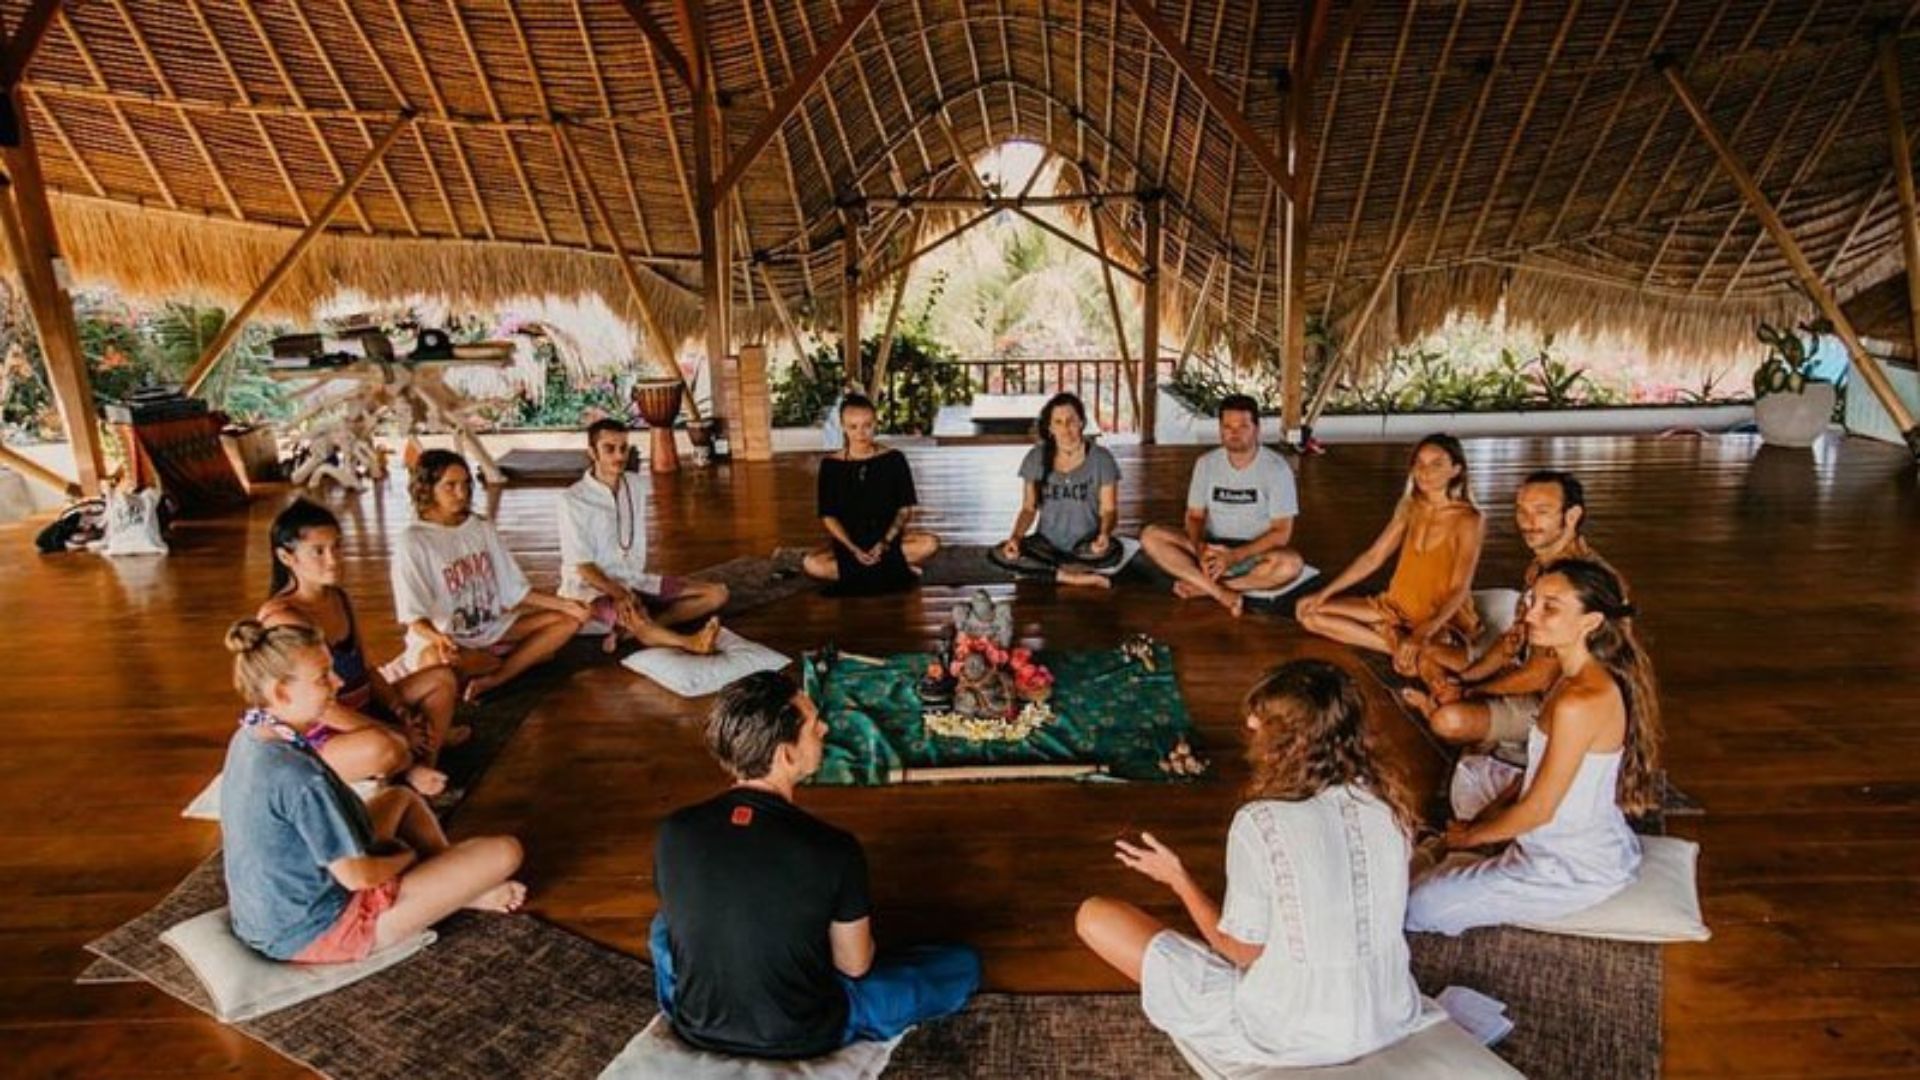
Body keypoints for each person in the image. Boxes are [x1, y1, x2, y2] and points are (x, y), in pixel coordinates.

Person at [1074, 660, 1442, 1068]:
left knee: (1096, 917)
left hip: (1288, 1032)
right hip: (1387, 1015)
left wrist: (1178, 879)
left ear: (1295, 742)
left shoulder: (1261, 822)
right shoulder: (1389, 805)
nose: (1251, 723)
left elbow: (1241, 954)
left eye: (1266, 720)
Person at [651, 671, 981, 1058]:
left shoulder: (674, 830)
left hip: (696, 1021)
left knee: (662, 931)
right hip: (804, 1029)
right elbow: (855, 966)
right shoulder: (833, 849)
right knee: (961, 965)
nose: (823, 728)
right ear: (785, 754)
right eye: (812, 724)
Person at [219, 620, 525, 964]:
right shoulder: (298, 777)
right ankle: (452, 885)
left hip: (265, 919)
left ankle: (456, 887)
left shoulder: (250, 734)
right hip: (318, 932)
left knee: (401, 798)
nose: (337, 682)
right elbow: (358, 877)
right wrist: (406, 859)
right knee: (504, 852)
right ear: (280, 693)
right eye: (323, 677)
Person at [1405, 560, 1660, 935]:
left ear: (1590, 622)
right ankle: (1475, 850)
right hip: (1551, 825)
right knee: (1472, 776)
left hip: (1568, 863)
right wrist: (1486, 818)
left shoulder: (1581, 701)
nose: (1531, 615)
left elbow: (1539, 811)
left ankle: (1470, 855)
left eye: (1550, 608)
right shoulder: (1570, 675)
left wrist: (1469, 837)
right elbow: (1536, 772)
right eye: (1532, 601)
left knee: (1419, 907)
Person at [1403, 471, 1624, 750]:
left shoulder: (1583, 583)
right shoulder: (1539, 567)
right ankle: (1449, 700)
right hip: (1516, 668)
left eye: (1541, 512)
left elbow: (1539, 676)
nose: (1528, 523)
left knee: (1449, 720)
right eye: (1522, 512)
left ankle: (1452, 713)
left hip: (1549, 701)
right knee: (1423, 651)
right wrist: (1460, 680)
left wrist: (1472, 690)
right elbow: (1512, 641)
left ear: (1571, 516)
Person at [259, 500, 461, 795]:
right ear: (286, 557)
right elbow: (322, 711)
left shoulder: (339, 597)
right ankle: (410, 766)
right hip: (319, 731)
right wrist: (394, 731)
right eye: (319, 551)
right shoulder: (282, 619)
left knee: (442, 678)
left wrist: (399, 709)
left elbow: (365, 668)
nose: (333, 559)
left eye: (336, 547)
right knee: (386, 747)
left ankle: (422, 764)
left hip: (361, 708)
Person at [391, 450, 588, 700]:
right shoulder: (413, 541)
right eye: (450, 486)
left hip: (491, 629)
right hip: (447, 640)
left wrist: (568, 605)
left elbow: (514, 591)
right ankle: (511, 659)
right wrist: (439, 640)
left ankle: (496, 677)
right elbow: (413, 616)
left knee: (568, 622)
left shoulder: (481, 527)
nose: (461, 494)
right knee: (436, 664)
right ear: (427, 488)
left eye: (465, 484)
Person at [1296, 434, 1483, 673]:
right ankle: (1396, 646)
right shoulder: (1410, 507)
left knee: (1443, 660)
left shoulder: (1469, 519)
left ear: (1456, 470)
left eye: (1436, 464)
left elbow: (1460, 588)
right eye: (1420, 463)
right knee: (1309, 613)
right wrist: (1324, 594)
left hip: (1437, 616)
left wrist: (1423, 631)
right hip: (1395, 607)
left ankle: (1403, 642)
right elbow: (1373, 557)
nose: (1425, 472)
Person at [558, 419, 727, 654]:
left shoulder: (636, 485)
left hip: (634, 580)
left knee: (717, 594)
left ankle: (639, 630)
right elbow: (584, 566)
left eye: (624, 448)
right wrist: (619, 594)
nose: (619, 455)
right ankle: (689, 642)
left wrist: (630, 592)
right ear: (591, 452)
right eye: (609, 448)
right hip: (593, 589)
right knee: (638, 616)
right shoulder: (573, 500)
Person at [1140, 394, 1304, 616]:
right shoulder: (1206, 464)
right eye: (1227, 426)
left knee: (1291, 565)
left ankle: (1208, 588)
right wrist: (1200, 550)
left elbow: (1281, 533)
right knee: (1152, 536)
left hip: (1253, 552)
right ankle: (1218, 591)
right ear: (1220, 430)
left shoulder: (1276, 469)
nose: (1234, 433)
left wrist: (1234, 556)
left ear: (1256, 429)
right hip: (1211, 547)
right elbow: (1195, 516)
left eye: (1243, 426)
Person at [802, 395, 940, 593]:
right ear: (842, 426)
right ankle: (892, 569)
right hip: (849, 546)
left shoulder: (894, 459)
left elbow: (904, 509)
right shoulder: (830, 465)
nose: (861, 433)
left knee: (930, 543)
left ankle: (877, 567)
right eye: (853, 427)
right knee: (812, 564)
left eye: (867, 425)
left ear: (876, 423)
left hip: (887, 541)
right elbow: (828, 516)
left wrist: (885, 542)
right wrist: (853, 549)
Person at [989, 392, 1124, 588]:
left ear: (1082, 423)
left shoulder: (1102, 459)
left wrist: (1103, 534)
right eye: (1058, 422)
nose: (1066, 428)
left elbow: (1109, 510)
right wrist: (1016, 538)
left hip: (1086, 546)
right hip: (1046, 544)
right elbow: (1028, 508)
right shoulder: (1036, 457)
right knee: (1000, 554)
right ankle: (1072, 576)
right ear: (1050, 428)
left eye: (1071, 421)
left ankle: (1044, 571)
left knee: (1113, 551)